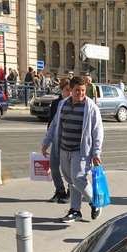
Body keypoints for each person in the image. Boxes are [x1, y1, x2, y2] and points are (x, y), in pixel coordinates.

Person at [41, 76, 104, 223]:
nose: (81, 94)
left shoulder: (91, 107)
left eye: (83, 91)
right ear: (72, 89)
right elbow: (55, 125)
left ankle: (94, 202)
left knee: (78, 178)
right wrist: (46, 142)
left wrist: (96, 153)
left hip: (80, 150)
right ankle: (75, 210)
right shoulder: (63, 104)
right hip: (64, 148)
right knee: (71, 180)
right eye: (77, 90)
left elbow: (97, 131)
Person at [45, 78, 72, 204]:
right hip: (57, 140)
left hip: (69, 142)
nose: (70, 93)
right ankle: (60, 190)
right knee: (54, 167)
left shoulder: (76, 103)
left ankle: (71, 192)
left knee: (70, 170)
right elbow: (51, 123)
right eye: (67, 90)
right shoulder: (56, 104)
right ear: (61, 90)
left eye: (72, 90)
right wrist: (47, 140)